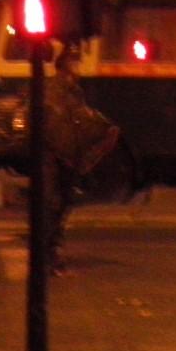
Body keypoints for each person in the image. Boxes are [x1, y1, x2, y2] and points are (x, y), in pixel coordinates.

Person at [43, 41, 120, 274]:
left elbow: (80, 119)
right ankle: (47, 255)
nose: (78, 67)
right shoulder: (56, 90)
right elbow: (63, 123)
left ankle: (51, 252)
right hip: (54, 158)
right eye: (74, 63)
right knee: (53, 205)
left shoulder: (73, 91)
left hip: (66, 157)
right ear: (65, 67)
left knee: (61, 205)